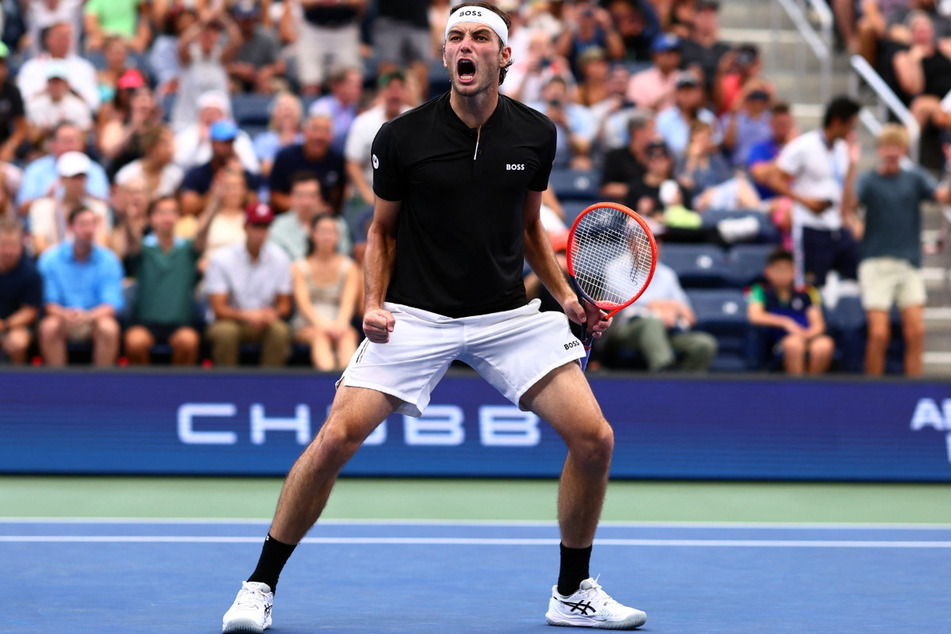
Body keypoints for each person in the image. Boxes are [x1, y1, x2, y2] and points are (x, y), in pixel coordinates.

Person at [220, 3, 647, 632]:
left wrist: (567, 295)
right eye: (455, 38)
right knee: (336, 436)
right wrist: (371, 303)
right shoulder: (400, 137)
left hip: (506, 315)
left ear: (505, 57)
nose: (465, 46)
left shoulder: (536, 134)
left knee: (595, 439)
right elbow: (380, 232)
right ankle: (259, 584)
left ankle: (571, 591)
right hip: (416, 315)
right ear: (444, 56)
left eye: (480, 37)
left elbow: (529, 226)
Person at [848, 124, 950, 376]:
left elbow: (943, 196)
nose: (892, 152)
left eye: (897, 147)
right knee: (879, 333)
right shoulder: (868, 180)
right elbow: (849, 205)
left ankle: (913, 391)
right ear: (880, 150)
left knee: (916, 331)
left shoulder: (915, 177)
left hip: (908, 264)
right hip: (875, 264)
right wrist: (851, 166)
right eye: (887, 147)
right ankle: (873, 393)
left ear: (904, 151)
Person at [769, 96, 862, 287]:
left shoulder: (843, 149)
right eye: (850, 125)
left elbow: (844, 188)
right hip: (810, 226)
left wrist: (849, 217)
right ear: (837, 122)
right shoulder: (804, 145)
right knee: (811, 286)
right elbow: (775, 179)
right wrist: (804, 201)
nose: (851, 131)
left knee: (856, 275)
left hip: (836, 226)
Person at [118, 196, 210, 366]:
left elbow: (203, 232)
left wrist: (216, 201)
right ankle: (142, 390)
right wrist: (127, 216)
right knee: (135, 342)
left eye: (172, 212)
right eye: (161, 212)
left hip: (181, 325)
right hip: (144, 324)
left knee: (189, 341)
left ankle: (180, 390)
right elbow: (132, 242)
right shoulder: (143, 249)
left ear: (178, 217)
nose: (167, 217)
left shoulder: (188, 249)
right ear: (151, 218)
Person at [600, 241, 718, 371]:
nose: (653, 246)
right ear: (632, 245)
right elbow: (625, 303)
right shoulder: (615, 268)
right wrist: (662, 309)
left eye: (657, 241)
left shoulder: (667, 274)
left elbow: (688, 315)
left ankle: (685, 388)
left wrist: (667, 310)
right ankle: (665, 375)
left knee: (704, 344)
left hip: (667, 331)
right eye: (646, 242)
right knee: (652, 323)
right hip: (625, 330)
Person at [204, 202, 293, 367]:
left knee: (280, 331)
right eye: (256, 226)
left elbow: (284, 305)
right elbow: (218, 309)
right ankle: (227, 385)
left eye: (265, 227)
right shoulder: (222, 258)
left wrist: (272, 313)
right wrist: (249, 315)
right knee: (225, 333)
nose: (261, 233)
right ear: (245, 227)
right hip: (230, 320)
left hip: (264, 321)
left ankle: (270, 386)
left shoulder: (280, 257)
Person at [36, 206, 124, 366]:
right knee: (48, 327)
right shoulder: (50, 259)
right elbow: (48, 302)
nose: (88, 229)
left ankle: (102, 385)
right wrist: (65, 314)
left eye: (92, 224)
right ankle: (57, 384)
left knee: (109, 328)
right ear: (70, 227)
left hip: (95, 318)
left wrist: (88, 316)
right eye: (83, 224)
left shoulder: (109, 260)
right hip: (62, 317)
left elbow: (112, 304)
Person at [747, 247, 834, 375]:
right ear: (767, 271)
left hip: (807, 336)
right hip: (778, 342)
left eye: (786, 269)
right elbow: (755, 316)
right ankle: (798, 390)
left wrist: (805, 336)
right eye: (777, 269)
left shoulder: (807, 292)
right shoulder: (760, 291)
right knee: (794, 344)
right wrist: (786, 322)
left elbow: (818, 325)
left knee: (824, 345)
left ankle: (813, 389)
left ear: (794, 271)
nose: (782, 274)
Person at [290, 213, 361, 370]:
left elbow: (348, 303)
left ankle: (346, 387)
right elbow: (304, 305)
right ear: (313, 234)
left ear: (338, 236)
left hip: (340, 321)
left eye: (332, 232)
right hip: (307, 323)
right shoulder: (299, 267)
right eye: (322, 231)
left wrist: (340, 324)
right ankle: (326, 385)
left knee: (348, 336)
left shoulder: (349, 267)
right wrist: (325, 326)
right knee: (319, 337)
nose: (327, 237)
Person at [28, 151, 112, 255]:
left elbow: (103, 245)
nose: (79, 182)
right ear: (62, 179)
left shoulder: (98, 208)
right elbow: (40, 246)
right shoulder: (41, 207)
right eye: (74, 177)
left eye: (82, 177)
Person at [268, 111, 345, 214]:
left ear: (332, 135)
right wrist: (306, 208)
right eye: (315, 129)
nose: (320, 136)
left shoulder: (337, 160)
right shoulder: (285, 156)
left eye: (326, 131)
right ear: (304, 132)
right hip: (289, 216)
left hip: (323, 218)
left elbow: (339, 196)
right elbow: (274, 195)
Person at [0, 218, 42, 364]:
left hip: (16, 326)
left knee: (16, 342)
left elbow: (30, 311)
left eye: (13, 246)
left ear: (21, 246)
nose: (8, 251)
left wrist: (5, 324)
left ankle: (16, 384)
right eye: (4, 245)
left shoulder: (30, 272)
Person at [0, 42, 28, 163]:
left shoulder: (12, 91)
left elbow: (21, 127)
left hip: (4, 152)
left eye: (1, 63)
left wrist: (9, 146)